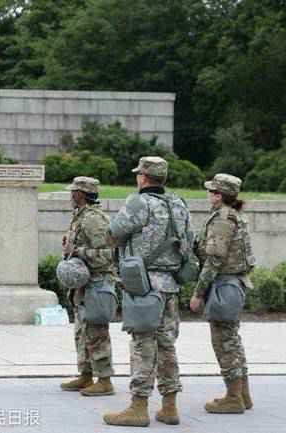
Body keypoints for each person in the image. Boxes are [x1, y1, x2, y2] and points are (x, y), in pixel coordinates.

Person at [103, 156, 193, 427]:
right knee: (167, 345)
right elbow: (190, 242)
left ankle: (138, 406)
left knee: (142, 344)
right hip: (171, 285)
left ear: (143, 177)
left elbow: (112, 235)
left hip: (143, 285)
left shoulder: (138, 202)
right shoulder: (179, 204)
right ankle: (169, 406)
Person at [190, 173, 255, 414]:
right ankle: (243, 394)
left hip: (223, 286)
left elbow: (214, 259)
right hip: (233, 284)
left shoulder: (222, 219)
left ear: (218, 195)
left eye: (211, 191)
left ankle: (233, 398)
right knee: (232, 340)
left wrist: (198, 293)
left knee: (223, 342)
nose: (208, 195)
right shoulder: (234, 216)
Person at [59, 177, 116, 397]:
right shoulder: (81, 216)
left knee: (96, 331)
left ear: (81, 194)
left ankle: (104, 379)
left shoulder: (93, 219)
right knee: (83, 330)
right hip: (85, 285)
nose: (71, 196)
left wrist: (78, 252)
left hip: (97, 283)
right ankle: (86, 374)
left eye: (73, 192)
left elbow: (107, 255)